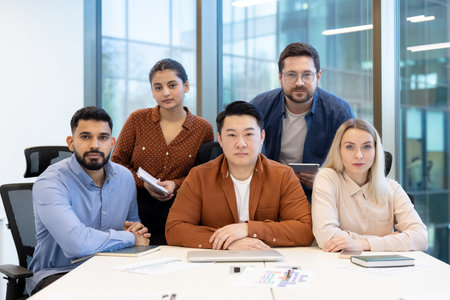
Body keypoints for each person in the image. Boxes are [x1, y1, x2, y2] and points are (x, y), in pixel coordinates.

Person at [27, 107, 150, 295]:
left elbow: (135, 228)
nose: (95, 145)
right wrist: (129, 237)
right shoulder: (50, 182)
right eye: (85, 137)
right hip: (59, 274)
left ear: (112, 143)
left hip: (113, 270)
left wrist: (134, 233)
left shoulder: (125, 177)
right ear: (71, 142)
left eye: (103, 137)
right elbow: (76, 244)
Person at [166, 101, 314, 250]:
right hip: (216, 261)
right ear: (221, 140)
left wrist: (247, 229)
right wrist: (228, 242)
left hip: (264, 259)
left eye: (249, 134)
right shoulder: (199, 176)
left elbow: (305, 230)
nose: (240, 143)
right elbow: (174, 229)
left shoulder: (283, 176)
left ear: (262, 137)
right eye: (232, 135)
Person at [112, 58, 214, 245]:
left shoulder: (202, 128)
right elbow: (117, 162)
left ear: (187, 86)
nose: (165, 92)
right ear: (152, 91)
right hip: (136, 208)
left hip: (181, 209)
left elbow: (205, 174)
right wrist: (145, 184)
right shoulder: (137, 120)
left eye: (172, 85)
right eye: (158, 87)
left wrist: (175, 184)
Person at [250, 42, 354, 199]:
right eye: (291, 75)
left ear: (318, 76)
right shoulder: (259, 107)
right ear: (280, 77)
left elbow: (352, 164)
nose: (299, 82)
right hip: (269, 193)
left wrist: (326, 179)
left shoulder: (339, 112)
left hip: (319, 195)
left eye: (307, 75)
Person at [312, 119, 428, 252]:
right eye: (350, 147)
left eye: (367, 147)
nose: (359, 155)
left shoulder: (392, 188)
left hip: (385, 267)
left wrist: (363, 244)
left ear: (376, 151)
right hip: (338, 265)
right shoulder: (327, 178)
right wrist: (389, 239)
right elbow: (326, 236)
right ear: (339, 150)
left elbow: (421, 237)